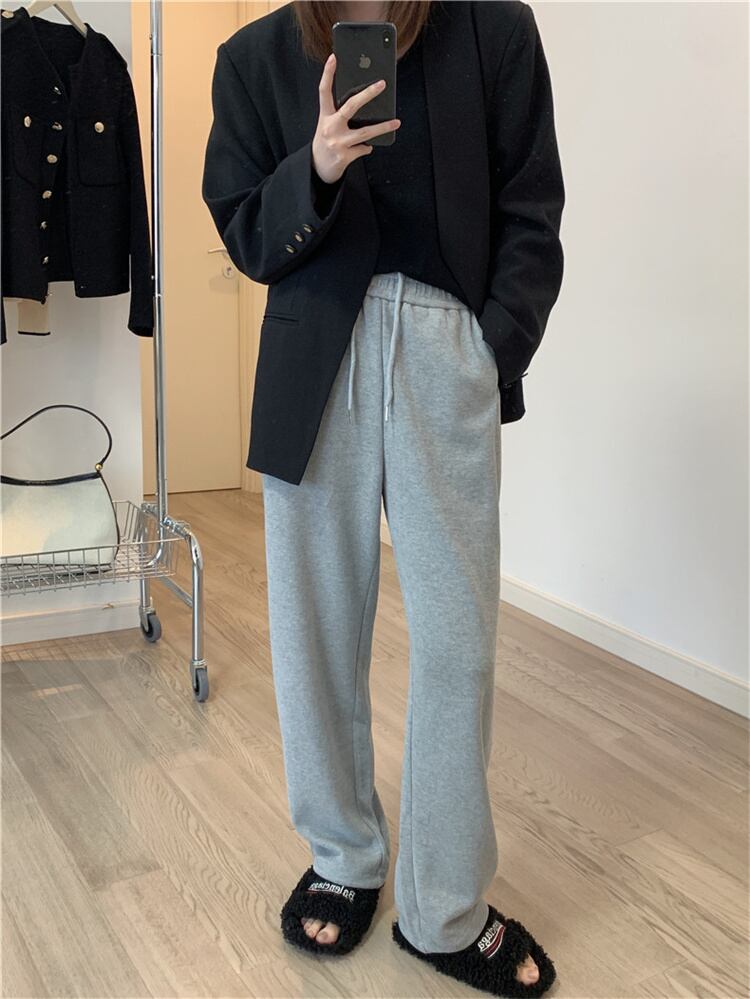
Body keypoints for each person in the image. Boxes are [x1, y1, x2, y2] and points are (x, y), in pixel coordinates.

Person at [202, 1, 564, 995]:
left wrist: (490, 351)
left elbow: (533, 207)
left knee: (458, 639)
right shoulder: (254, 56)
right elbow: (245, 231)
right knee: (313, 630)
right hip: (312, 350)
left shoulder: (494, 30)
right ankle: (343, 858)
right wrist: (315, 169)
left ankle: (444, 906)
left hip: (448, 353)